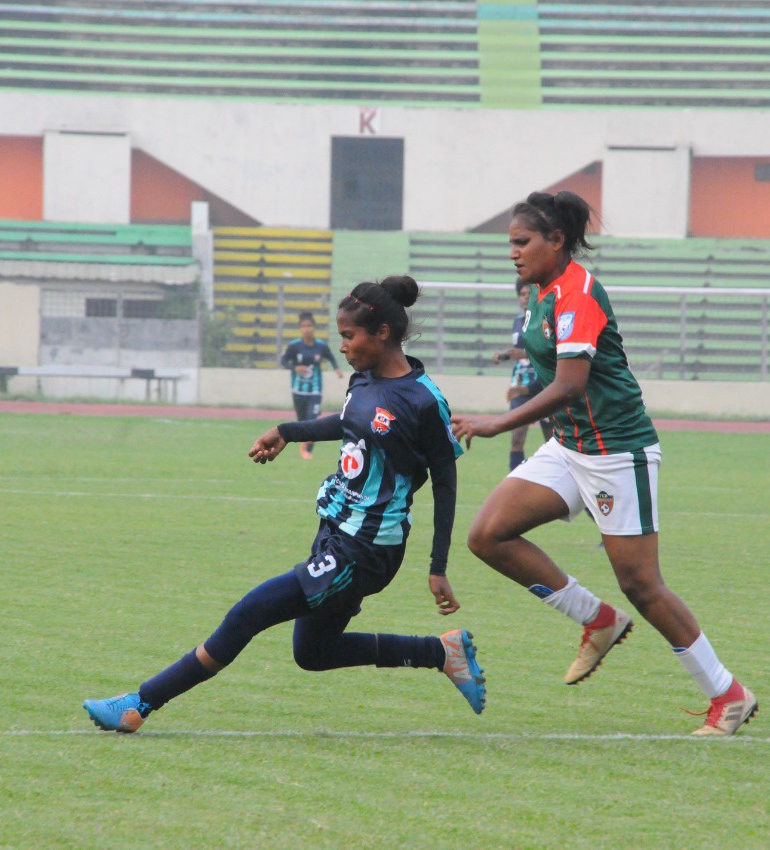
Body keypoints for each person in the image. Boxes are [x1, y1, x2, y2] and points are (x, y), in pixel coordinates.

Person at [83, 275, 484, 733]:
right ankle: (442, 653)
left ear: (382, 334)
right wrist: (288, 431)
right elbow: (350, 422)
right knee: (313, 653)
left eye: (349, 336)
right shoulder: (364, 378)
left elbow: (446, 482)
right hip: (335, 531)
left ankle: (139, 704)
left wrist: (438, 566)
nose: (344, 347)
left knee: (247, 614)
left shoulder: (424, 400)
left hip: (367, 551)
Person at [450, 191, 757, 736]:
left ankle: (728, 695)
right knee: (488, 535)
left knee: (643, 585)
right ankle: (597, 619)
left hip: (617, 452)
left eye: (522, 242)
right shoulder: (542, 294)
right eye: (511, 244)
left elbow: (571, 384)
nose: (513, 253)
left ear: (557, 241)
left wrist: (498, 423)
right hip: (570, 447)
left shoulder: (579, 293)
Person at [493, 279, 554, 470]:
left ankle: (553, 484)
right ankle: (516, 481)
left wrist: (525, 354)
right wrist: (503, 356)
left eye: (529, 294)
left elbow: (550, 351)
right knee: (517, 438)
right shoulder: (518, 321)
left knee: (552, 442)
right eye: (522, 294)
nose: (525, 297)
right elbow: (519, 351)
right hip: (520, 385)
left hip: (543, 384)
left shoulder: (545, 319)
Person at [280, 310, 345, 459]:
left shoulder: (321, 346)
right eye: (303, 326)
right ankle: (305, 444)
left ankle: (307, 449)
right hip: (298, 390)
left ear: (314, 327)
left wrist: (337, 369)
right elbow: (284, 361)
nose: (307, 329)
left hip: (315, 389)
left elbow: (331, 357)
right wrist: (295, 368)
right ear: (300, 328)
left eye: (309, 326)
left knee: (313, 420)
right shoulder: (294, 346)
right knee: (303, 421)